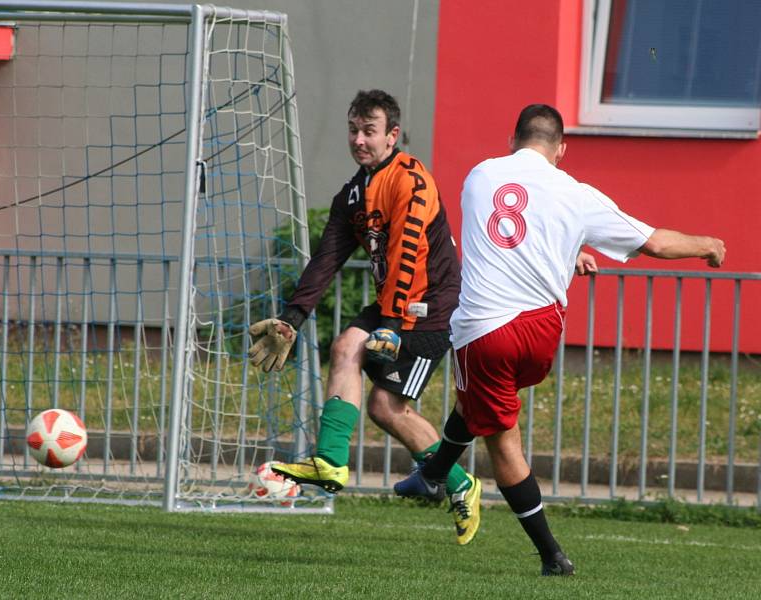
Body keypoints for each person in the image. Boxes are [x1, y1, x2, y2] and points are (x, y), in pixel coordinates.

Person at [394, 103, 726, 575]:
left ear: (513, 141)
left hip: (487, 332)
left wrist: (565, 253)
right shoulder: (576, 193)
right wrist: (708, 245)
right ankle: (430, 474)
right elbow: (654, 242)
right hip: (543, 331)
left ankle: (552, 556)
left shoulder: (480, 175)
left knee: (501, 438)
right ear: (561, 150)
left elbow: (506, 234)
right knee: (483, 400)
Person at [247, 89, 482, 545]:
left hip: (429, 308)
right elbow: (327, 258)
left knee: (384, 404)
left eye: (369, 131)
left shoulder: (411, 179)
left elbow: (407, 252)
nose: (359, 139)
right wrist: (292, 318)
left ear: (392, 135)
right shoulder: (353, 193)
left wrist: (392, 325)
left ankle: (458, 483)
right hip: (396, 305)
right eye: (353, 130)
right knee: (354, 362)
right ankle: (331, 463)